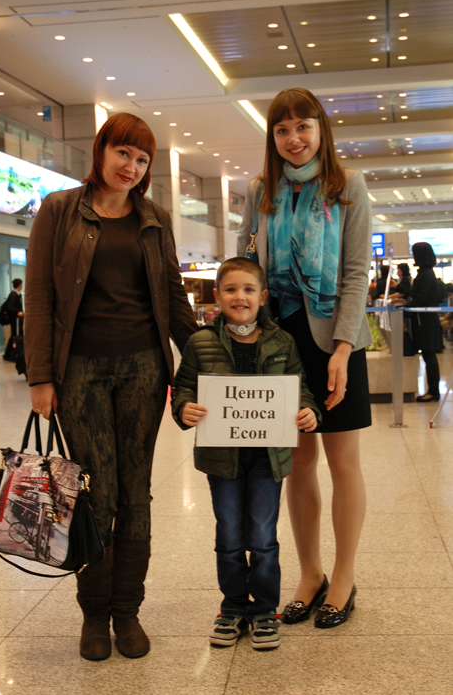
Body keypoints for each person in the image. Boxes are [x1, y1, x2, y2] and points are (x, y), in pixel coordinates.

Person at [25, 113, 197, 661]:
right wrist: (40, 377)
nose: (132, 166)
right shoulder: (59, 210)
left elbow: (172, 293)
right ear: (100, 151)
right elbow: (39, 296)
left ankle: (128, 611)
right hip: (80, 371)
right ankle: (94, 614)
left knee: (135, 492)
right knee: (95, 494)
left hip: (144, 368)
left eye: (142, 159)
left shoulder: (154, 218)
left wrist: (206, 358)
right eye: (123, 153)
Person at [238, 87, 373, 628]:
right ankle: (310, 573)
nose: (293, 139)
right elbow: (246, 265)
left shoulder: (348, 186)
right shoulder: (260, 191)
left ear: (321, 129)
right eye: (282, 129)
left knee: (343, 462)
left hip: (335, 340)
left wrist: (343, 347)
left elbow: (356, 273)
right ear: (272, 136)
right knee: (297, 463)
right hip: (279, 342)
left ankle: (343, 576)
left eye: (303, 127)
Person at [172, 257, 320, 650]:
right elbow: (184, 386)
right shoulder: (200, 342)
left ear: (263, 296)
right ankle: (233, 606)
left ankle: (265, 610)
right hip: (222, 459)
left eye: (249, 289)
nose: (240, 296)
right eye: (231, 289)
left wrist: (308, 411)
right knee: (229, 536)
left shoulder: (282, 342)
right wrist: (183, 408)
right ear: (217, 295)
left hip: (267, 459)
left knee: (263, 537)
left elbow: (300, 388)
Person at [408, 242, 443, 402]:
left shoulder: (426, 275)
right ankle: (433, 390)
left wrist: (405, 305)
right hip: (423, 320)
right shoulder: (424, 273)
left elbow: (419, 299)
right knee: (428, 355)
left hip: (426, 321)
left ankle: (433, 391)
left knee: (429, 355)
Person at [3, 278, 24, 361]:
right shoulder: (13, 295)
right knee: (15, 336)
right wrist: (17, 312)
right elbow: (10, 307)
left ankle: (11, 353)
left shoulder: (18, 295)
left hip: (18, 319)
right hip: (15, 319)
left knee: (15, 335)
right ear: (20, 285)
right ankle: (10, 354)